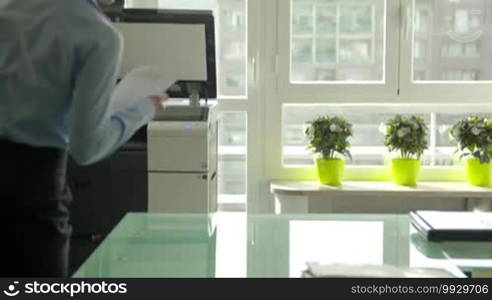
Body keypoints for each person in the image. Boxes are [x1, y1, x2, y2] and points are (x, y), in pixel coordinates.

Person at [0, 0, 167, 277]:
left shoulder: (10, 9)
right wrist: (143, 110)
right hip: (35, 191)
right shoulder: (100, 36)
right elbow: (86, 148)